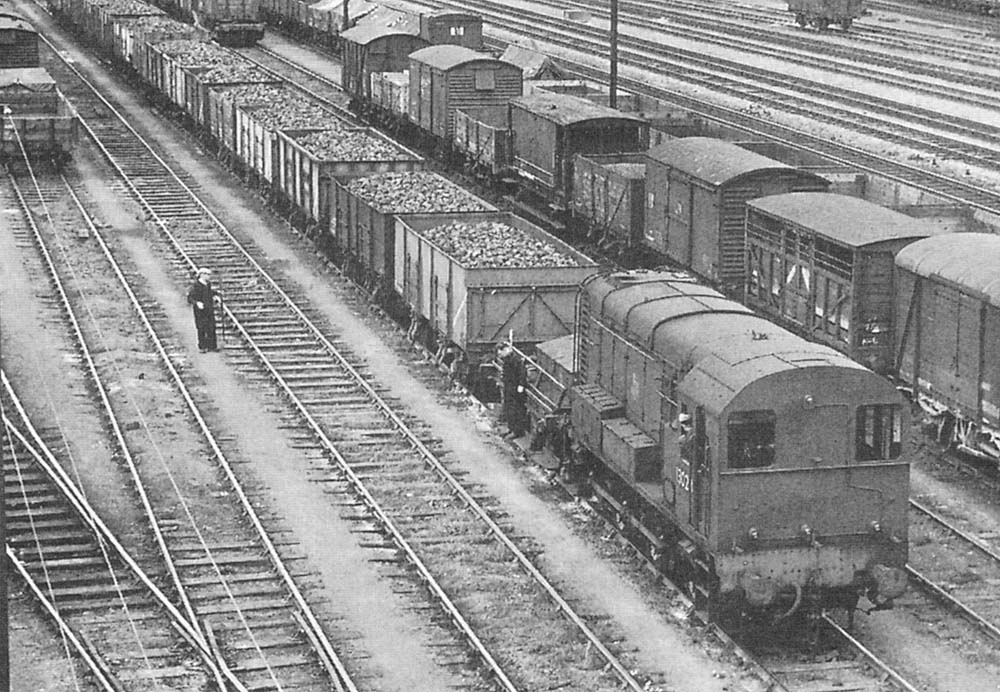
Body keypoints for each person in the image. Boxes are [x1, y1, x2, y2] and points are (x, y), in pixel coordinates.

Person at [187, 267, 221, 352]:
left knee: (211, 326)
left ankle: (212, 346)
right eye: (207, 274)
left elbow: (209, 293)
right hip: (200, 311)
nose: (209, 276)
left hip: (209, 309)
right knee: (201, 327)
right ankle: (202, 346)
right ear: (202, 275)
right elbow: (190, 298)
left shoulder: (208, 284)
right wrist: (197, 303)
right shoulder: (196, 285)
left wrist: (216, 294)